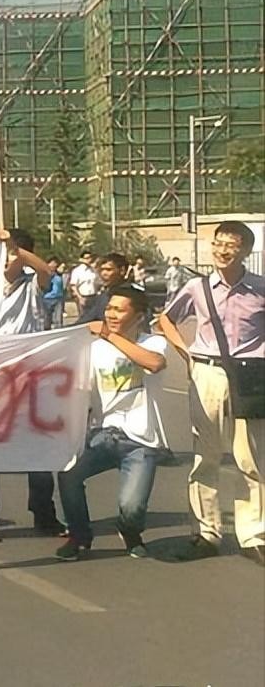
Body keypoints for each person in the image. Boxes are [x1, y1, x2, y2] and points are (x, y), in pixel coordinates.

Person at [156, 221, 265, 566]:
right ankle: (206, 533)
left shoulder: (260, 288)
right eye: (218, 243)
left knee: (252, 458)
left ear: (245, 250)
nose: (222, 250)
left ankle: (253, 534)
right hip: (208, 372)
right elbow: (166, 319)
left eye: (231, 245)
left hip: (252, 376)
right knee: (207, 455)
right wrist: (186, 354)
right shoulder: (197, 287)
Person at [55, 285, 168, 560]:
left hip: (141, 440)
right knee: (69, 474)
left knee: (132, 508)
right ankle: (79, 536)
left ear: (139, 316)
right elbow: (81, 394)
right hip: (103, 435)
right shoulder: (93, 350)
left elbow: (154, 364)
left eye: (119, 310)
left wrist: (108, 335)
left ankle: (130, 531)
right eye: (109, 308)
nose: (111, 315)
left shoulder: (152, 343)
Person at [0, 229, 66, 541]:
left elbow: (44, 271)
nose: (5, 262)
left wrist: (13, 247)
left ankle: (44, 514)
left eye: (10, 256)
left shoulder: (34, 286)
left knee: (38, 449)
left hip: (30, 379)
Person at [76, 252, 133, 326]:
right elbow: (85, 320)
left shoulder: (135, 296)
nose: (103, 273)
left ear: (122, 270)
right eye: (101, 270)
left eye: (108, 269)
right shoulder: (103, 297)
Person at [70, 251, 99, 320]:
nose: (89, 260)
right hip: (83, 296)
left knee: (94, 316)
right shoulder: (77, 271)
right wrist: (80, 298)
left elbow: (98, 282)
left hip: (94, 296)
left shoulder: (93, 270)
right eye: (87, 258)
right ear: (81, 259)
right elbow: (73, 286)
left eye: (90, 258)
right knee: (84, 317)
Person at [42, 256, 66, 330]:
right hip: (47, 298)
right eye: (51, 263)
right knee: (46, 318)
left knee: (58, 319)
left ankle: (58, 330)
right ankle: (46, 331)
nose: (53, 265)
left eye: (55, 263)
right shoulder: (45, 273)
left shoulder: (59, 274)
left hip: (58, 298)